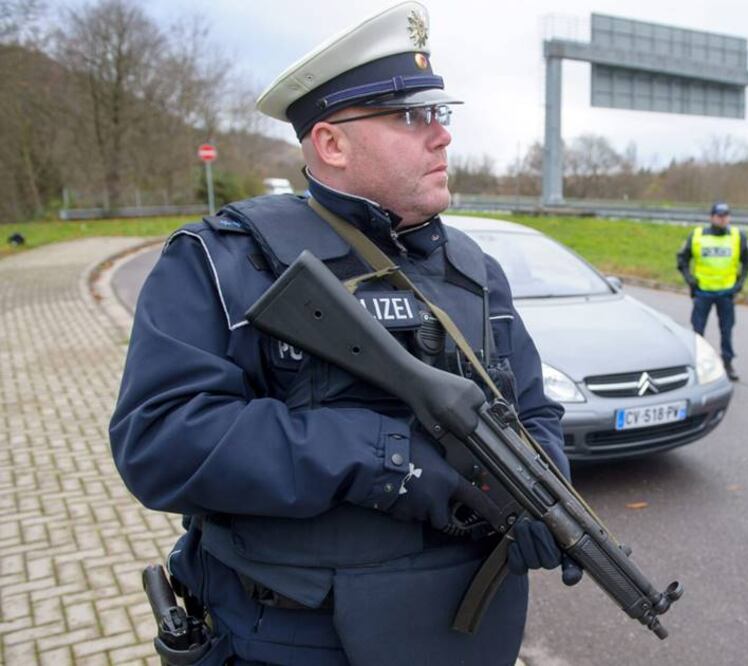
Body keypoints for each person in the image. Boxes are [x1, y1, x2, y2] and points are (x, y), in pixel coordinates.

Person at [109, 4, 575, 664]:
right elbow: (159, 440)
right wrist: (385, 458)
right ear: (331, 143)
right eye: (412, 117)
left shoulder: (476, 271)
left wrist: (542, 491)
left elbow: (532, 410)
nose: (441, 136)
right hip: (298, 638)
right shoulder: (226, 261)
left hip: (467, 636)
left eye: (441, 115)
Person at [676, 201, 748, 381]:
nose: (723, 219)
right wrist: (690, 280)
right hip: (703, 292)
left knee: (726, 330)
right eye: (719, 216)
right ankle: (696, 364)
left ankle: (727, 363)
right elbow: (682, 259)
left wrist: (740, 283)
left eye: (726, 215)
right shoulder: (697, 235)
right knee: (698, 331)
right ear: (711, 217)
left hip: (726, 293)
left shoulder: (738, 236)